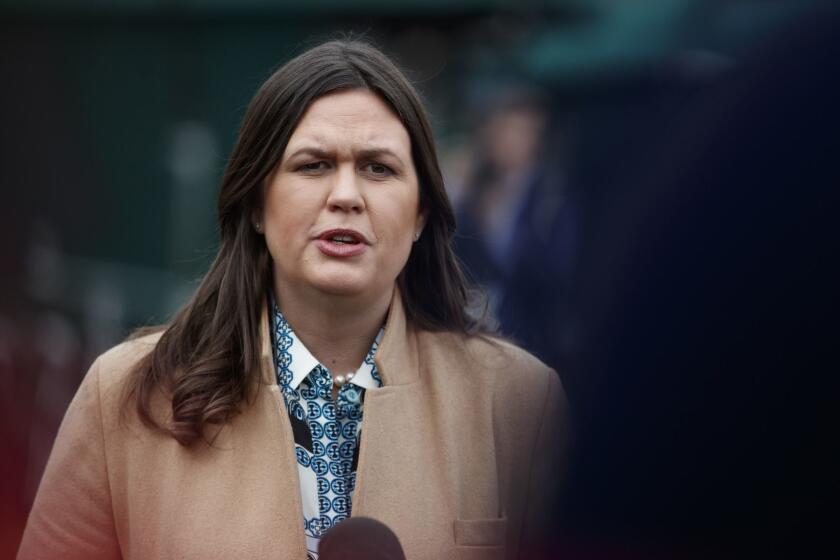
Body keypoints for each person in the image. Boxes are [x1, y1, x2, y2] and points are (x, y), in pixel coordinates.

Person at [18, 39, 566, 560]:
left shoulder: (516, 402)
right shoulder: (127, 395)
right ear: (256, 203)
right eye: (313, 165)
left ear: (423, 213)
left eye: (379, 168)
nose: (346, 196)